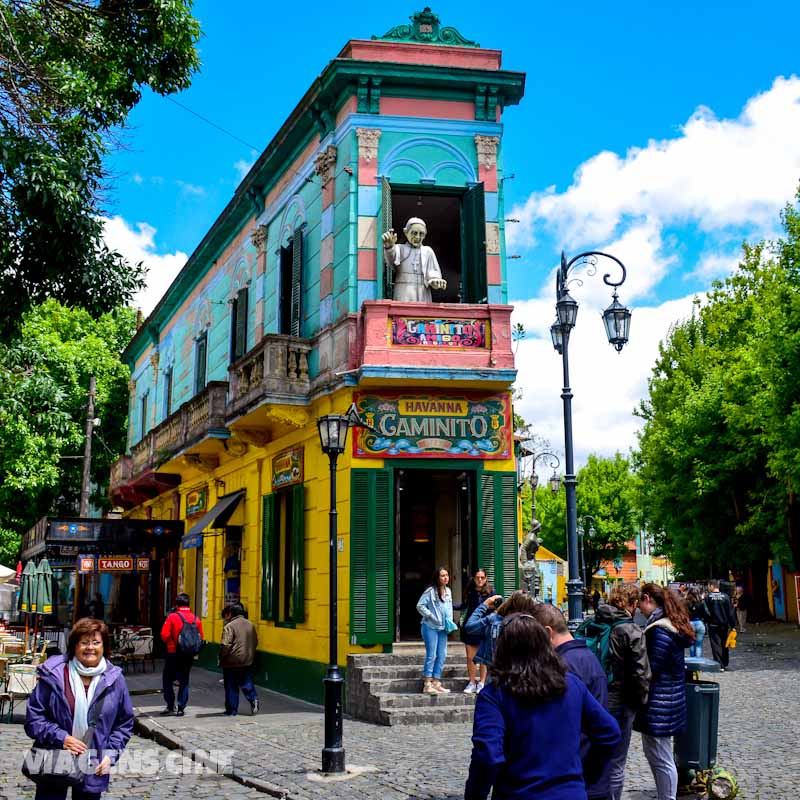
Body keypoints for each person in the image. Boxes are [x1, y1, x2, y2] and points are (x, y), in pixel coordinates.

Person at [464, 613, 620, 800]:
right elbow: (610, 733)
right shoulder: (571, 685)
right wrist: (586, 775)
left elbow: (488, 755)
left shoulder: (495, 695)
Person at [24, 617, 134, 799]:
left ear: (104, 647)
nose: (90, 647)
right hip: (54, 758)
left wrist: (111, 754)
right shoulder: (54, 675)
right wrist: (62, 738)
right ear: (74, 647)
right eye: (84, 642)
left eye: (96, 642)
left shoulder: (115, 679)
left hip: (93, 762)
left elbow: (124, 723)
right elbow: (34, 719)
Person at [531, 603, 612, 800]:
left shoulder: (563, 666)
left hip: (580, 776)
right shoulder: (586, 657)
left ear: (547, 633)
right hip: (593, 775)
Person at [634, 583, 695, 800]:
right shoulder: (667, 624)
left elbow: (652, 668)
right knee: (660, 755)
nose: (638, 608)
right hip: (667, 701)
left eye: (640, 602)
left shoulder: (659, 629)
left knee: (661, 757)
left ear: (648, 598)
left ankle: (667, 797)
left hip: (659, 703)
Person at [594, 583, 652, 800]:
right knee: (617, 762)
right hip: (620, 702)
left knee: (594, 756)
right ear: (633, 604)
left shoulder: (595, 622)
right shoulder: (630, 630)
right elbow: (641, 673)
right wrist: (640, 702)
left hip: (593, 698)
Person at [464, 590, 537, 677]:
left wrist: (485, 605)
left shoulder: (494, 620)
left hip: (495, 674)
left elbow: (470, 627)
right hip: (521, 676)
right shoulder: (533, 625)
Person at [381, 217, 447, 303]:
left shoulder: (428, 251)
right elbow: (391, 259)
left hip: (422, 292)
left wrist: (435, 280)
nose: (418, 237)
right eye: (414, 233)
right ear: (406, 232)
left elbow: (432, 272)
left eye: (421, 234)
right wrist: (389, 247)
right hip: (403, 291)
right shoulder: (400, 248)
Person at [159, 592, 204, 716]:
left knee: (167, 679)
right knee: (184, 680)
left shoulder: (172, 617)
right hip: (188, 655)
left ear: (177, 604)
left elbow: (164, 635)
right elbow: (201, 637)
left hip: (173, 652)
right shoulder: (196, 619)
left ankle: (170, 705)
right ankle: (181, 707)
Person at [416, 566, 455, 695]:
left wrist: (450, 622)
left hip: (443, 628)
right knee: (431, 655)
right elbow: (420, 605)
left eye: (447, 575)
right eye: (442, 575)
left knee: (442, 655)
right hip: (430, 627)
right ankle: (427, 684)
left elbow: (448, 608)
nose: (445, 578)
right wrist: (431, 616)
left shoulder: (448, 591)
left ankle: (436, 683)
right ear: (437, 578)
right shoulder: (430, 591)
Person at [219, 603, 259, 716]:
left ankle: (232, 710)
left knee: (231, 685)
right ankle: (253, 698)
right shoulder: (251, 625)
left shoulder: (229, 626)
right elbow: (255, 641)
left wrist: (221, 657)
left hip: (231, 661)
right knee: (246, 681)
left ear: (231, 614)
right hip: (247, 659)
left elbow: (225, 645)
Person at [459, 569, 494, 694]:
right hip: (470, 627)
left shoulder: (491, 592)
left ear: (486, 578)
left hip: (484, 627)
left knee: (483, 658)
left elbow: (496, 609)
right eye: (477, 577)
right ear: (474, 578)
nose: (480, 580)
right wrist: (448, 605)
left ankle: (482, 682)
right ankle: (472, 682)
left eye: (482, 577)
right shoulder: (470, 591)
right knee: (470, 657)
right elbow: (464, 606)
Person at [705, 581, 737, 671]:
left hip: (713, 625)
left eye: (708, 586)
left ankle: (719, 664)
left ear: (711, 586)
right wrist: (733, 625)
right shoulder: (726, 597)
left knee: (716, 645)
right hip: (724, 625)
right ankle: (725, 662)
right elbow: (730, 612)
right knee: (724, 644)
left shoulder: (708, 597)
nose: (708, 588)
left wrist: (707, 620)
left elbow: (706, 611)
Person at [686, 587, 709, 658]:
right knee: (698, 645)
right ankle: (698, 664)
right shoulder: (701, 602)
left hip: (690, 624)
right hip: (699, 623)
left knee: (691, 644)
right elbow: (705, 614)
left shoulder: (686, 603)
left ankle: (692, 664)